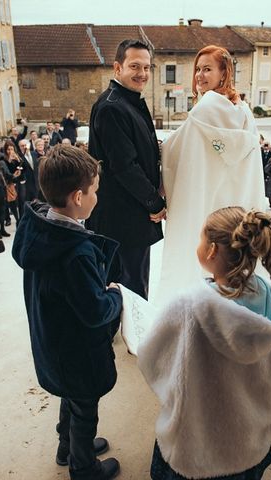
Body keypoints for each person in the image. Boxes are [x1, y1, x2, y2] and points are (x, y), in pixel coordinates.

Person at [139, 207, 271, 480]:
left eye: (201, 239)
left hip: (196, 444)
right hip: (249, 440)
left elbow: (152, 358)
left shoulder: (188, 306)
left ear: (212, 250)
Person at [12, 145, 123, 480]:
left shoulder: (42, 231)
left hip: (53, 341)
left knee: (69, 397)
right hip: (76, 349)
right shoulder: (75, 252)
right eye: (95, 191)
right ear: (78, 197)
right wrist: (115, 296)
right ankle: (83, 465)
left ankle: (68, 446)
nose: (97, 198)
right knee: (85, 405)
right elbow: (95, 311)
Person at [160, 44, 266, 296]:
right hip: (232, 200)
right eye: (197, 69)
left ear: (224, 73)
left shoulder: (205, 108)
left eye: (207, 69)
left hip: (204, 202)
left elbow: (177, 150)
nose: (199, 75)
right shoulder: (244, 112)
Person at [87, 39, 165, 300]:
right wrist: (155, 203)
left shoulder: (128, 101)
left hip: (130, 219)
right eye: (134, 66)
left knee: (134, 287)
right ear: (117, 68)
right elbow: (124, 167)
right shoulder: (112, 107)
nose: (142, 73)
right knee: (128, 292)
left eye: (146, 67)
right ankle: (131, 341)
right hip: (121, 223)